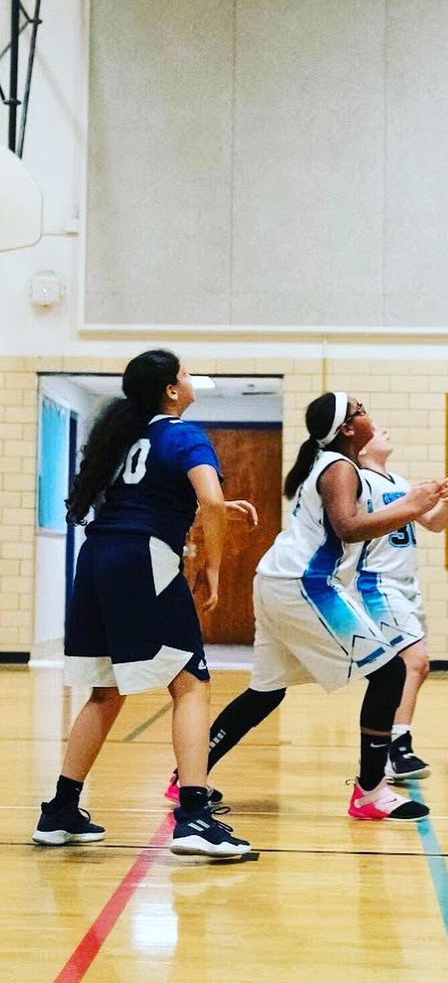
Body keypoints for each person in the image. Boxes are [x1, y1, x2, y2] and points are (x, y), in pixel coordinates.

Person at [166, 392, 447, 820]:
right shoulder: (338, 468)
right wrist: (411, 507)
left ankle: (186, 778)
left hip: (279, 581)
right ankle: (371, 792)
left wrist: (415, 505)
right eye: (360, 410)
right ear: (349, 429)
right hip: (305, 583)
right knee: (391, 672)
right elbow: (349, 528)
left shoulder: (339, 466)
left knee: (265, 693)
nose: (368, 412)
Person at [32, 349, 254, 858]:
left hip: (96, 559)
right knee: (191, 683)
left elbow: (160, 501)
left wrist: (212, 511)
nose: (191, 378)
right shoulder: (184, 435)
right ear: (172, 391)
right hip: (143, 559)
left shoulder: (123, 439)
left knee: (105, 691)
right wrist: (214, 567)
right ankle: (195, 816)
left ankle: (61, 808)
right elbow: (211, 501)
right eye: (185, 373)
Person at [356, 427, 448, 782]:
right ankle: (396, 748)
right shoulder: (360, 480)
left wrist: (446, 504)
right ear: (361, 447)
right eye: (375, 431)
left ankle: (389, 746)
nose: (383, 431)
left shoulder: (397, 479)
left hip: (405, 585)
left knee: (413, 667)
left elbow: (433, 524)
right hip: (376, 581)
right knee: (415, 662)